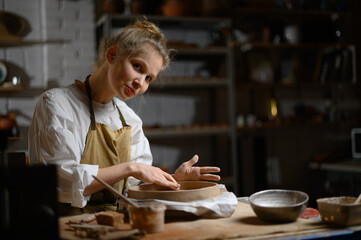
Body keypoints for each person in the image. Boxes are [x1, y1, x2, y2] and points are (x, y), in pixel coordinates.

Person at [28, 19, 221, 214]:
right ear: (112, 55)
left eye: (149, 78)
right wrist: (131, 168)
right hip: (65, 225)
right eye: (138, 67)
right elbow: (63, 183)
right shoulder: (57, 104)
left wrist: (172, 181)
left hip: (114, 225)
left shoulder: (129, 120)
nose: (141, 83)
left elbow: (135, 188)